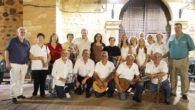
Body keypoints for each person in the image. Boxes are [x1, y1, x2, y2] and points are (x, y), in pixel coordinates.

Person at [168, 23, 195, 100]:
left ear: (181, 28)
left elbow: (192, 47)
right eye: (175, 28)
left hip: (183, 60)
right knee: (173, 77)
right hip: (172, 60)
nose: (177, 29)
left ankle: (184, 93)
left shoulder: (187, 37)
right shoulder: (172, 37)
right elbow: (168, 47)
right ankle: (173, 91)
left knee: (184, 77)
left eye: (178, 27)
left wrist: (182, 51)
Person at [5, 27, 30, 104]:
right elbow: (7, 51)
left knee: (21, 80)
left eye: (24, 31)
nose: (22, 33)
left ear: (26, 33)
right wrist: (7, 62)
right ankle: (13, 96)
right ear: (17, 32)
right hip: (14, 64)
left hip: (24, 64)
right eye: (21, 31)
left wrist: (28, 63)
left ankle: (19, 94)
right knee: (14, 80)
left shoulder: (27, 42)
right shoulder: (13, 41)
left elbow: (29, 53)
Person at [30, 33, 51, 99]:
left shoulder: (46, 47)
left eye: (42, 38)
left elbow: (49, 56)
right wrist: (39, 58)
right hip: (36, 67)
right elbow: (30, 57)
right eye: (39, 38)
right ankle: (34, 94)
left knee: (43, 81)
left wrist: (46, 62)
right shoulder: (33, 47)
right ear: (37, 39)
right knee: (36, 81)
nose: (40, 39)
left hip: (44, 67)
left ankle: (42, 93)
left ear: (44, 39)